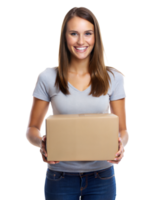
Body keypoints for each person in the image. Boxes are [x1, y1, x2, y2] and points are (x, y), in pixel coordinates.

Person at [25, 6, 129, 200]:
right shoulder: (47, 77)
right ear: (65, 37)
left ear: (96, 37)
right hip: (59, 177)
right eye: (74, 33)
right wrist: (42, 144)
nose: (81, 41)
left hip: (102, 177)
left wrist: (120, 145)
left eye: (87, 33)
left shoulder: (113, 78)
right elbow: (31, 130)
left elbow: (124, 130)